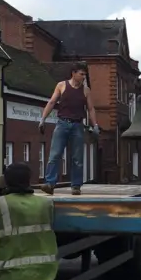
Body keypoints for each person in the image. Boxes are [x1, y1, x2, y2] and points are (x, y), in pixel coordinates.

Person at [39, 62, 100, 195]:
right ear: (73, 73)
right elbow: (52, 102)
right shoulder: (62, 85)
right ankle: (50, 183)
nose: (84, 77)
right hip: (62, 124)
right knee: (55, 155)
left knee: (77, 157)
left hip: (77, 125)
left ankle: (76, 186)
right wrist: (43, 119)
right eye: (81, 74)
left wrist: (95, 125)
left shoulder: (86, 90)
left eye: (85, 74)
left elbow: (91, 109)